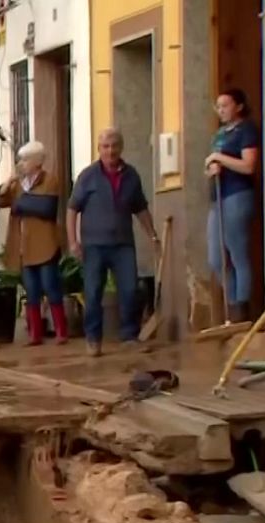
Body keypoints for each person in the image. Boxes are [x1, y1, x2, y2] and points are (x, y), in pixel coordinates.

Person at [67, 128, 162, 356]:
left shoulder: (131, 176)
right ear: (99, 149)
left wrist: (152, 235)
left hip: (123, 244)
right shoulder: (87, 176)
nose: (110, 151)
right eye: (105, 146)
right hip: (94, 245)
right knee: (93, 292)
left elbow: (140, 208)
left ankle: (129, 336)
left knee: (129, 289)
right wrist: (73, 241)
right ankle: (93, 339)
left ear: (121, 148)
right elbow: (72, 209)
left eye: (114, 146)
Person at [0, 141, 68, 346]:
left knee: (51, 287)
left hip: (45, 244)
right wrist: (6, 185)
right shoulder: (18, 184)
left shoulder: (49, 180)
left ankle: (61, 331)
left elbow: (46, 209)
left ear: (38, 161)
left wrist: (20, 204)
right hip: (24, 246)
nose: (21, 163)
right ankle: (35, 334)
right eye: (20, 160)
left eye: (25, 159)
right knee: (31, 291)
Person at [205, 88, 261, 324]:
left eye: (225, 105)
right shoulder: (219, 135)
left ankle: (241, 308)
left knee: (237, 252)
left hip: (238, 195)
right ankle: (231, 302)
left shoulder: (246, 129)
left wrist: (220, 159)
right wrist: (212, 168)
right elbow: (212, 163)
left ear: (238, 106)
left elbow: (248, 166)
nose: (221, 110)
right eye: (218, 107)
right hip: (217, 197)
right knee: (215, 258)